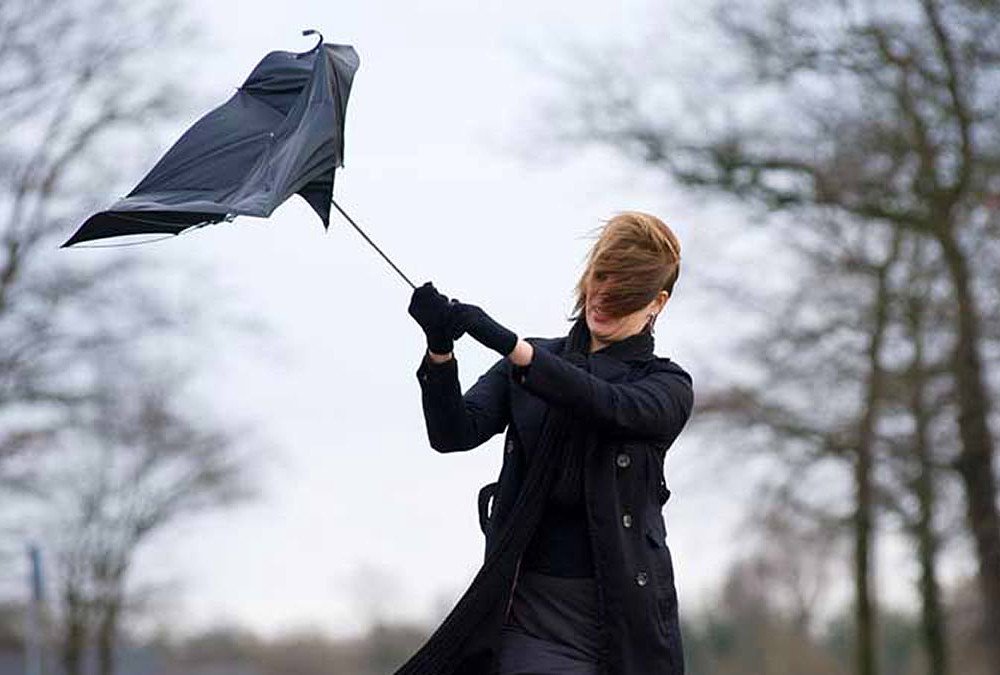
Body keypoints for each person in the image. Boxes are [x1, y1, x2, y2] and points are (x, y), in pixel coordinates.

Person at [402, 211, 694, 675]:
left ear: (656, 303)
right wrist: (440, 351)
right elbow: (453, 433)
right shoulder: (535, 361)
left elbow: (606, 403)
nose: (602, 302)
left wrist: (515, 349)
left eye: (622, 298)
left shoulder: (665, 386)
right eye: (600, 282)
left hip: (623, 624)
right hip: (528, 610)